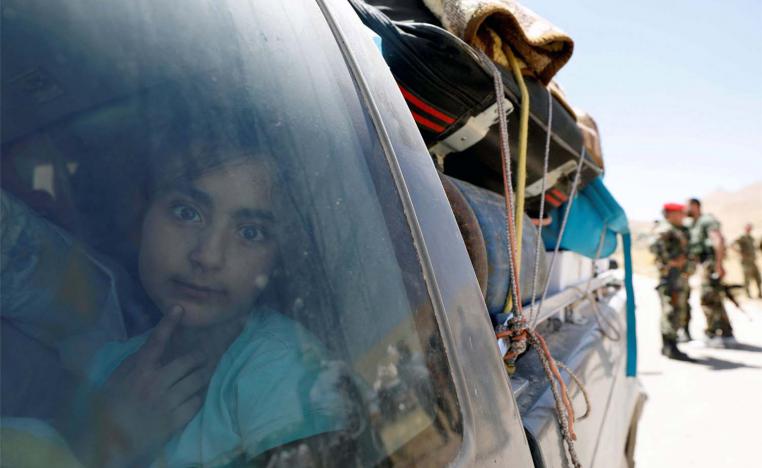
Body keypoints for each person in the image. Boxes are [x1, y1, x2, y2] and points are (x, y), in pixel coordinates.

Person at [686, 198, 734, 346]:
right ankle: (726, 334)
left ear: (695, 206)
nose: (684, 209)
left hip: (710, 263)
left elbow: (718, 240)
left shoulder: (706, 220)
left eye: (687, 206)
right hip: (704, 263)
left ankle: (712, 334)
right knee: (715, 297)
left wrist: (719, 265)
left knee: (707, 298)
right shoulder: (695, 223)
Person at [650, 203, 693, 361]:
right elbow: (653, 246)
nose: (683, 216)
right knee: (671, 310)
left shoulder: (678, 229)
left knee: (677, 309)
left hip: (678, 277)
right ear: (670, 214)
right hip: (670, 278)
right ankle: (670, 346)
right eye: (679, 213)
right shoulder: (665, 228)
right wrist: (670, 261)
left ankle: (669, 346)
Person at [732, 224, 762, 299]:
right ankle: (747, 295)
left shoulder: (751, 238)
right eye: (748, 228)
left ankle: (759, 293)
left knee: (758, 278)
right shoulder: (742, 238)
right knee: (747, 279)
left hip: (752, 261)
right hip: (746, 262)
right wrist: (740, 253)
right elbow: (733, 244)